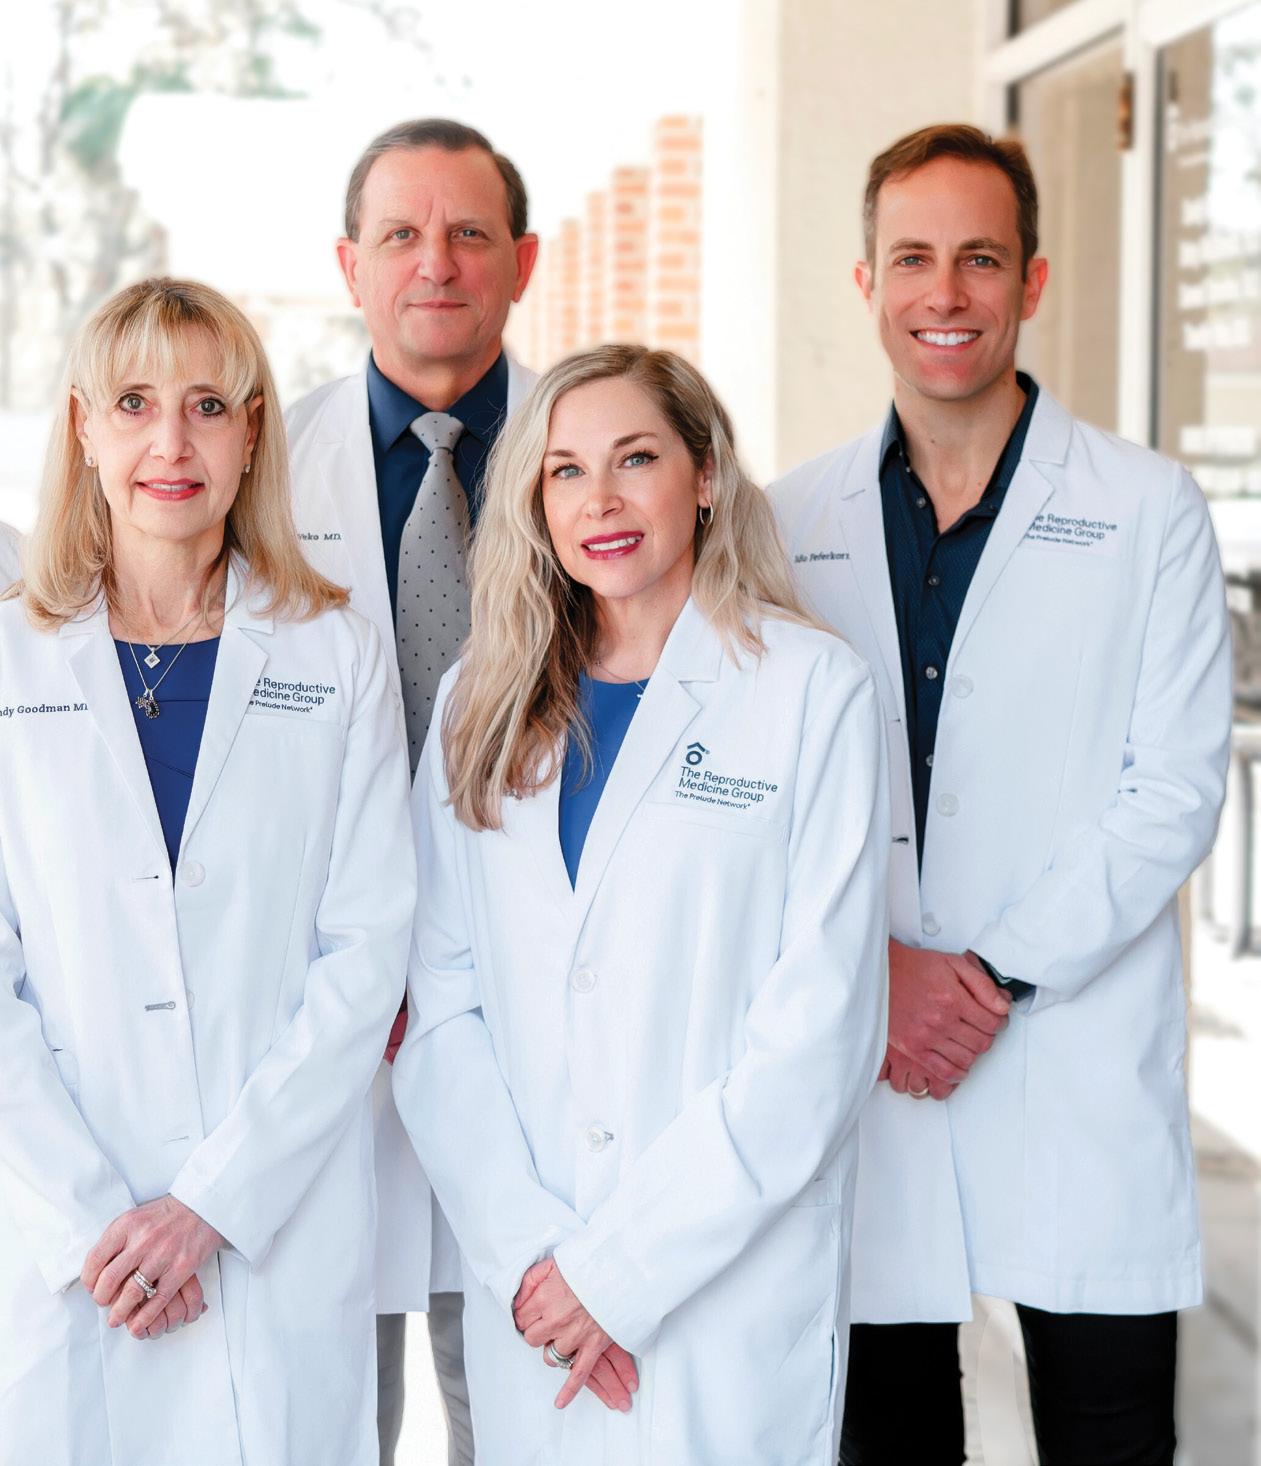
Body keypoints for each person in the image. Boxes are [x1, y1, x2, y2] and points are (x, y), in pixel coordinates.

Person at [771, 124, 1232, 1466]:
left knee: (1107, 1435)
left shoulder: (1148, 508)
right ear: (865, 283)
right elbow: (769, 806)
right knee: (885, 1435)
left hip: (1070, 1057)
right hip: (872, 1063)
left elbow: (1172, 791)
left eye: (979, 258)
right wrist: (880, 975)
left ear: (1030, 280)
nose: (945, 292)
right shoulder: (786, 521)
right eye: (911, 258)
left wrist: (980, 974)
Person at [390, 344, 889, 1464]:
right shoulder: (479, 701)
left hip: (721, 1291)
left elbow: (818, 1038)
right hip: (534, 1291)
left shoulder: (809, 691)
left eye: (635, 459)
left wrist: (617, 1275)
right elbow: (440, 1011)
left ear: (704, 475)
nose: (599, 500)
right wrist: (537, 1262)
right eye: (565, 470)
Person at [0, 277, 415, 1466]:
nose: (171, 443)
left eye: (207, 406)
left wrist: (209, 1204)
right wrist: (97, 1218)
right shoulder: (12, 653)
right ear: (84, 429)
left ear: (252, 434)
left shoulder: (336, 653)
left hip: (271, 1223)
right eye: (133, 403)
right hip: (67, 1243)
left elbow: (366, 956)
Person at [286, 117, 539, 1464]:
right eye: (400, 234)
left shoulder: (593, 448)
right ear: (350, 264)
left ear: (522, 262)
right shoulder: (264, 463)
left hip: (532, 987)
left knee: (520, 1382)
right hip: (326, 989)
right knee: (335, 1401)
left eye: (468, 234)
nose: (434, 263)